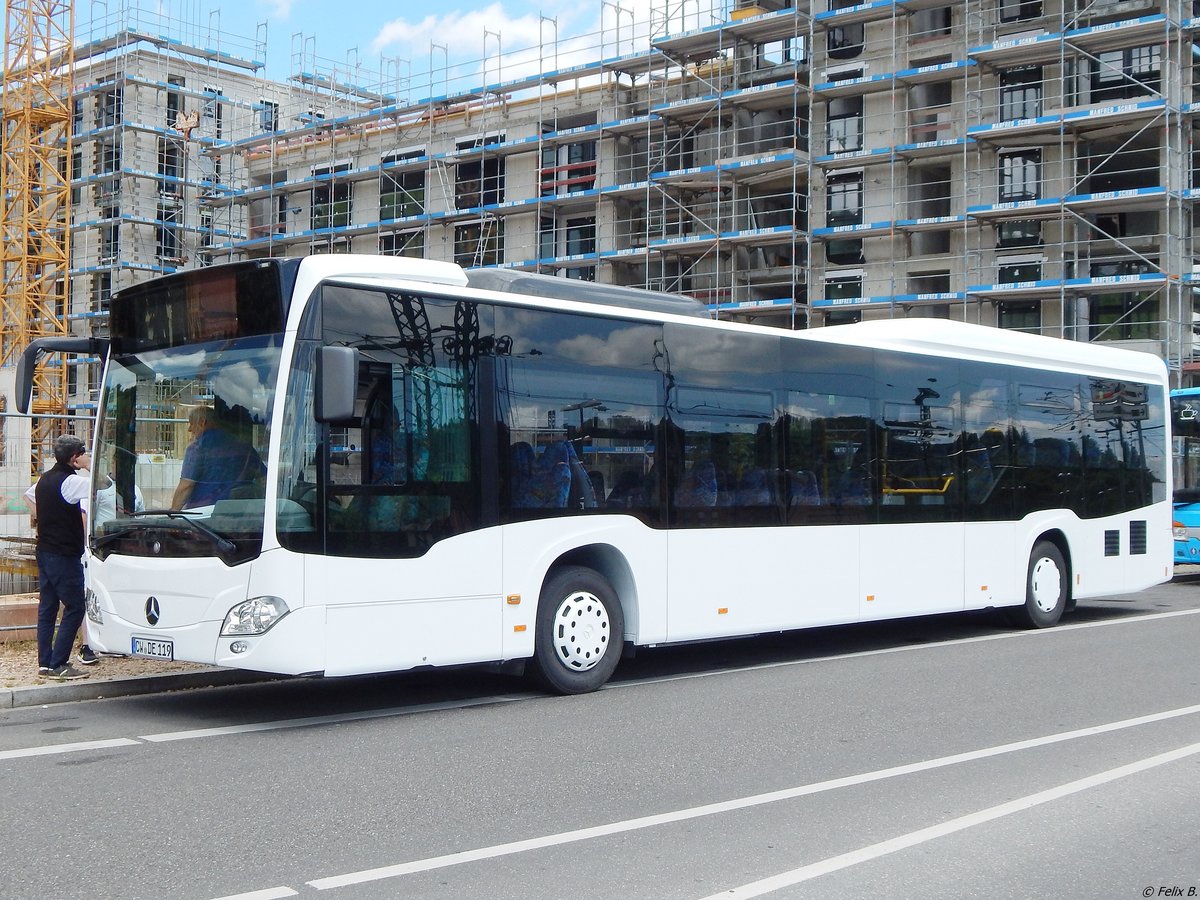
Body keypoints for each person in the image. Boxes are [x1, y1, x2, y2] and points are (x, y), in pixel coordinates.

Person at [23, 435, 92, 680]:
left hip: (45, 549)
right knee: (75, 607)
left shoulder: (45, 479)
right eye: (82, 453)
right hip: (64, 554)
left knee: (48, 607)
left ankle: (45, 662)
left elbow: (28, 496)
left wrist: (45, 517)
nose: (85, 455)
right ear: (74, 458)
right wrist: (89, 465)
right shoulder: (71, 482)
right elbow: (102, 484)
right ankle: (59, 663)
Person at [171, 406, 265, 510]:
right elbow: (263, 478)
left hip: (203, 514)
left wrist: (173, 514)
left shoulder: (198, 447)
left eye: (191, 424)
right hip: (239, 512)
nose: (190, 429)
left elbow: (186, 486)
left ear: (202, 422)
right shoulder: (244, 447)